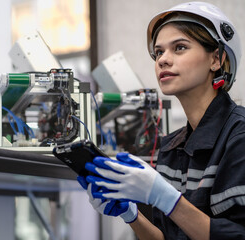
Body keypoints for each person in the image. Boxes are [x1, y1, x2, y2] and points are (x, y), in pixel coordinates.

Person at [79, 2, 245, 239]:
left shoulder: (238, 137)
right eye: (158, 52)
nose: (163, 60)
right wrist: (131, 215)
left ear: (216, 59)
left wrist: (168, 199)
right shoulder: (171, 147)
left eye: (179, 47)